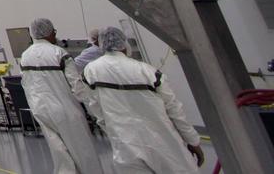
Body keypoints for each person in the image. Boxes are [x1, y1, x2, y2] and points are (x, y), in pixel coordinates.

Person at [83, 26, 205, 172]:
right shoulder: (148, 72)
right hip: (163, 143)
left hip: (125, 146)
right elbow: (174, 110)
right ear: (124, 44)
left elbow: (96, 110)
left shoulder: (91, 71)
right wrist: (192, 140)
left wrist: (114, 133)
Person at [19, 18, 104, 173]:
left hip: (41, 110)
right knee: (84, 153)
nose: (55, 36)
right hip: (66, 111)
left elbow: (26, 84)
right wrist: (95, 111)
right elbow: (77, 86)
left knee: (61, 155)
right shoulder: (58, 53)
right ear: (48, 33)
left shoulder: (25, 56)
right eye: (54, 32)